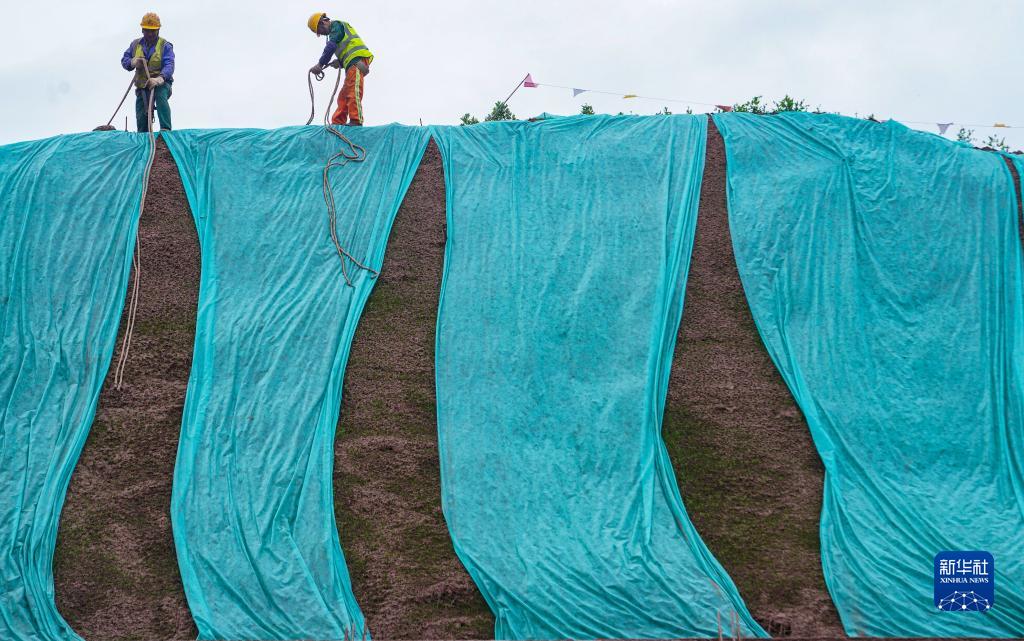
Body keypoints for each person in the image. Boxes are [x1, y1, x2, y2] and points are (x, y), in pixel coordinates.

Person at [307, 13, 373, 126]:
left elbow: (331, 47)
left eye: (320, 31)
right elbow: (346, 48)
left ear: (323, 22)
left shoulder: (336, 25)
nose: (322, 34)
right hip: (351, 63)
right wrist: (340, 62)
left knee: (352, 90)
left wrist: (320, 64)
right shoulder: (334, 32)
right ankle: (337, 123)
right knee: (344, 95)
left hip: (357, 61)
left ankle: (356, 120)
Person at [121, 13, 174, 132]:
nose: (150, 34)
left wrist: (159, 79)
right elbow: (125, 60)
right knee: (141, 113)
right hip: (142, 87)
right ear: (142, 30)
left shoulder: (165, 46)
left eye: (153, 31)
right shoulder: (135, 45)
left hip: (161, 83)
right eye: (147, 30)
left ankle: (165, 130)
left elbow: (169, 65)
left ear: (158, 30)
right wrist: (133, 62)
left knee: (160, 95)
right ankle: (143, 136)